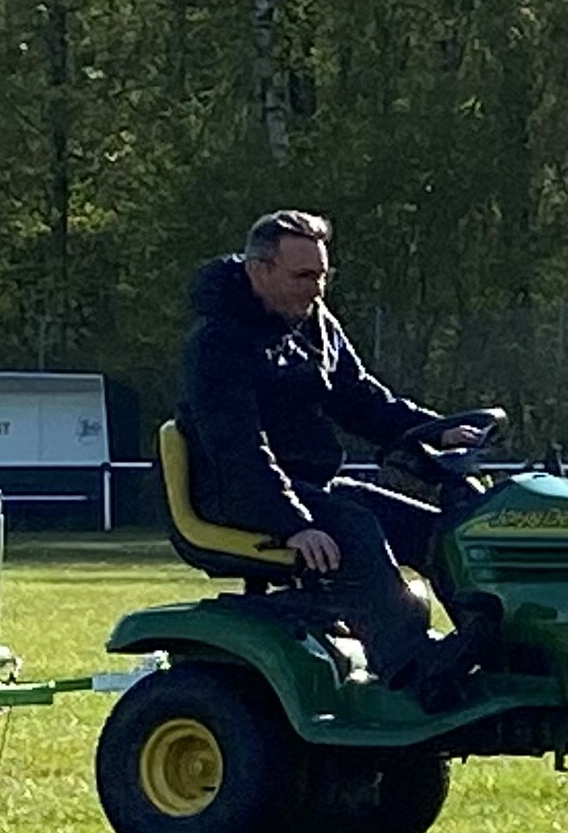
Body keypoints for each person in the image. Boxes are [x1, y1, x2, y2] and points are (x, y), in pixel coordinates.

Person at [176, 209, 488, 698]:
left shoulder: (313, 322)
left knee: (436, 529)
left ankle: (485, 644)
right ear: (259, 270)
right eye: (303, 276)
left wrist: (432, 431)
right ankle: (411, 666)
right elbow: (237, 449)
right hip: (235, 491)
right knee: (356, 528)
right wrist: (293, 523)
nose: (316, 289)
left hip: (308, 487)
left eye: (322, 275)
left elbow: (361, 398)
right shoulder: (218, 345)